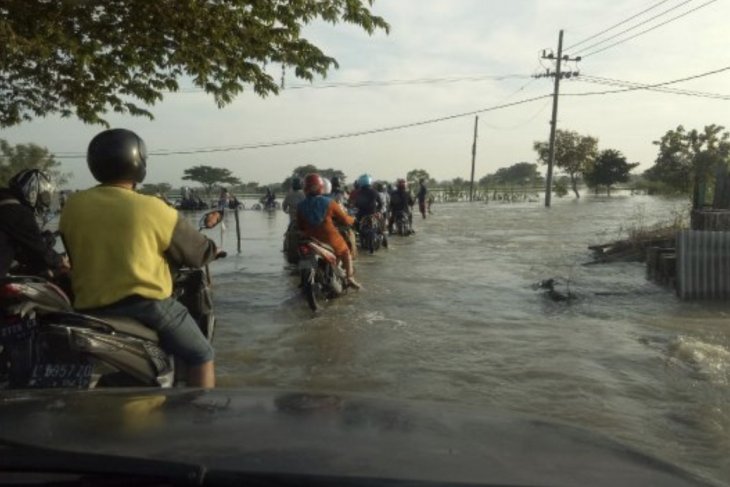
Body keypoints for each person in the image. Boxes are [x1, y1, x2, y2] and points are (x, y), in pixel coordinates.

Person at [59, 128, 221, 388]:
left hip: (87, 309)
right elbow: (197, 253)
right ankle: (201, 418)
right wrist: (213, 250)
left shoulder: (72, 205)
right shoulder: (153, 207)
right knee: (202, 354)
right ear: (138, 162)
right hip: (146, 308)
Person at [0, 169, 68, 278]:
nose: (44, 201)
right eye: (43, 196)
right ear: (32, 190)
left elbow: (24, 250)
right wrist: (60, 260)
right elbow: (39, 250)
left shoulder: (4, 202)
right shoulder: (17, 212)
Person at [297, 173, 361, 289]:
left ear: (305, 188)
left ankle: (303, 278)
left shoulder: (300, 206)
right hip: (330, 239)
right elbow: (345, 220)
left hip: (311, 239)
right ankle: (350, 277)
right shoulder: (330, 202)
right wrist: (353, 219)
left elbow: (300, 226)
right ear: (321, 187)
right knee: (346, 250)